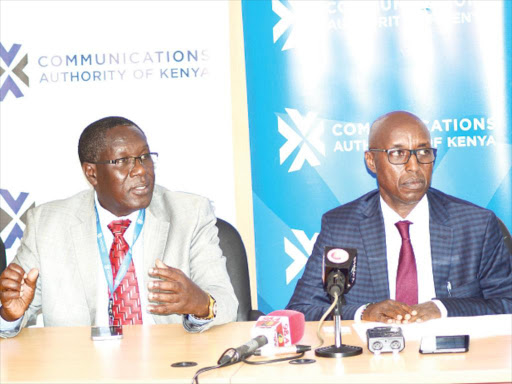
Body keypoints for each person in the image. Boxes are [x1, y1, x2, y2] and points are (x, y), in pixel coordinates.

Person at [0, 116, 238, 337]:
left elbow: (227, 303)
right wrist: (10, 315)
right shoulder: (47, 224)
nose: (141, 170)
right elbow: (17, 305)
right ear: (92, 174)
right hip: (81, 366)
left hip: (169, 365)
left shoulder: (189, 214)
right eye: (123, 161)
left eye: (145, 157)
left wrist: (199, 303)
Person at [286, 111, 512, 324]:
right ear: (371, 162)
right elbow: (302, 309)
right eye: (398, 154)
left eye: (423, 152)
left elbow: (506, 303)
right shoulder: (342, 226)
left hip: (453, 355)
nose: (414, 166)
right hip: (373, 358)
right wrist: (364, 312)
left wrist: (442, 309)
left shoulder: (475, 225)